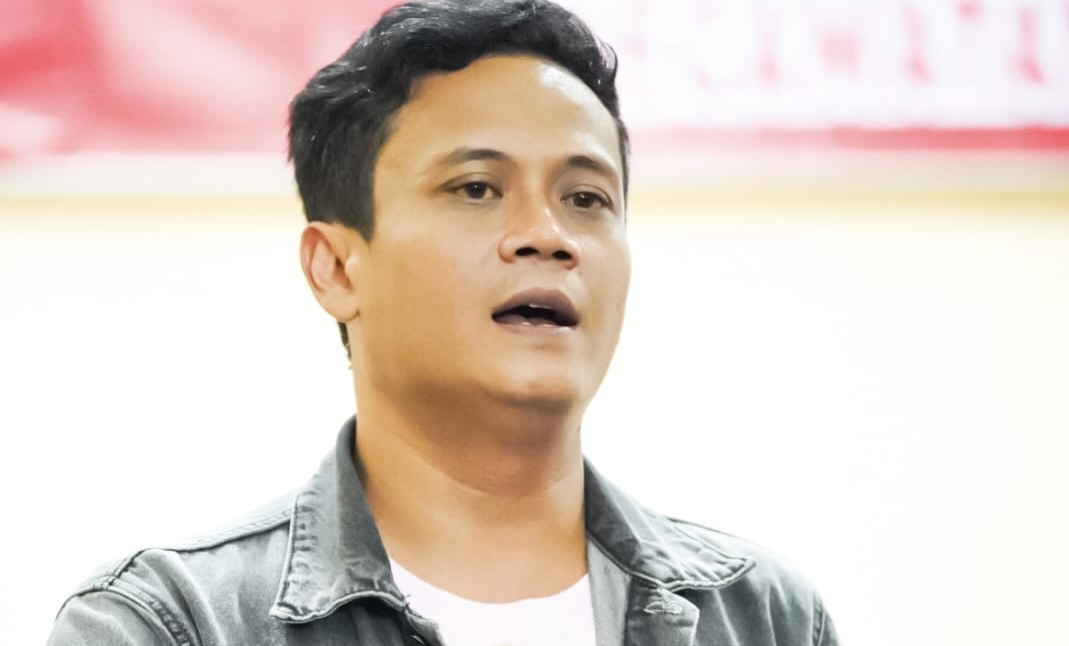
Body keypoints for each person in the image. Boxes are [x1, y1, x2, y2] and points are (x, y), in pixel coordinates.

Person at [48, 1, 839, 644]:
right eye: (475, 188)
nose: (547, 235)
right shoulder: (172, 623)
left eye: (585, 198)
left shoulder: (760, 618)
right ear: (336, 268)